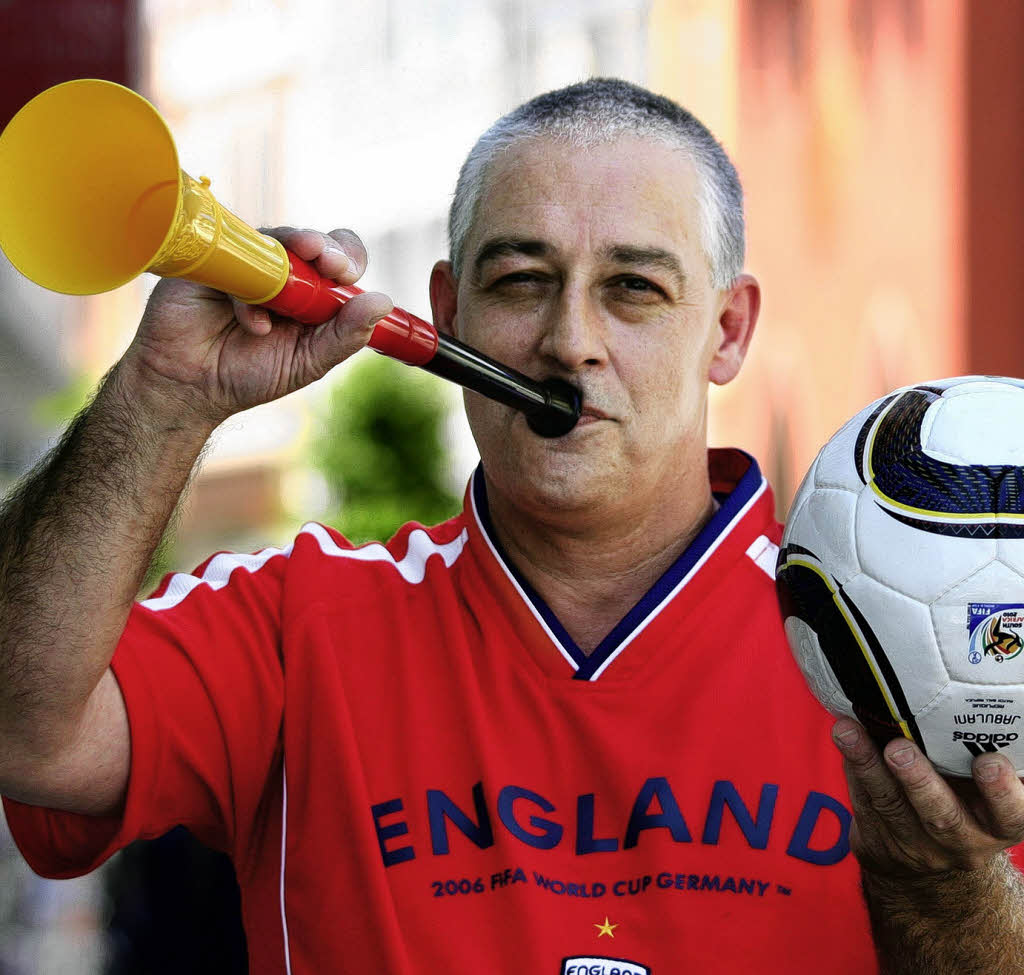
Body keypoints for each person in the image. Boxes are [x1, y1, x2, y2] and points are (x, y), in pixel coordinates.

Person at [1, 78, 1022, 974]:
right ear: (446, 315)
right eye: (521, 281)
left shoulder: (929, 643)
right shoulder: (296, 623)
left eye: (633, 288)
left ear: (727, 330)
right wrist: (161, 393)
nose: (568, 342)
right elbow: (26, 735)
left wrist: (943, 888)